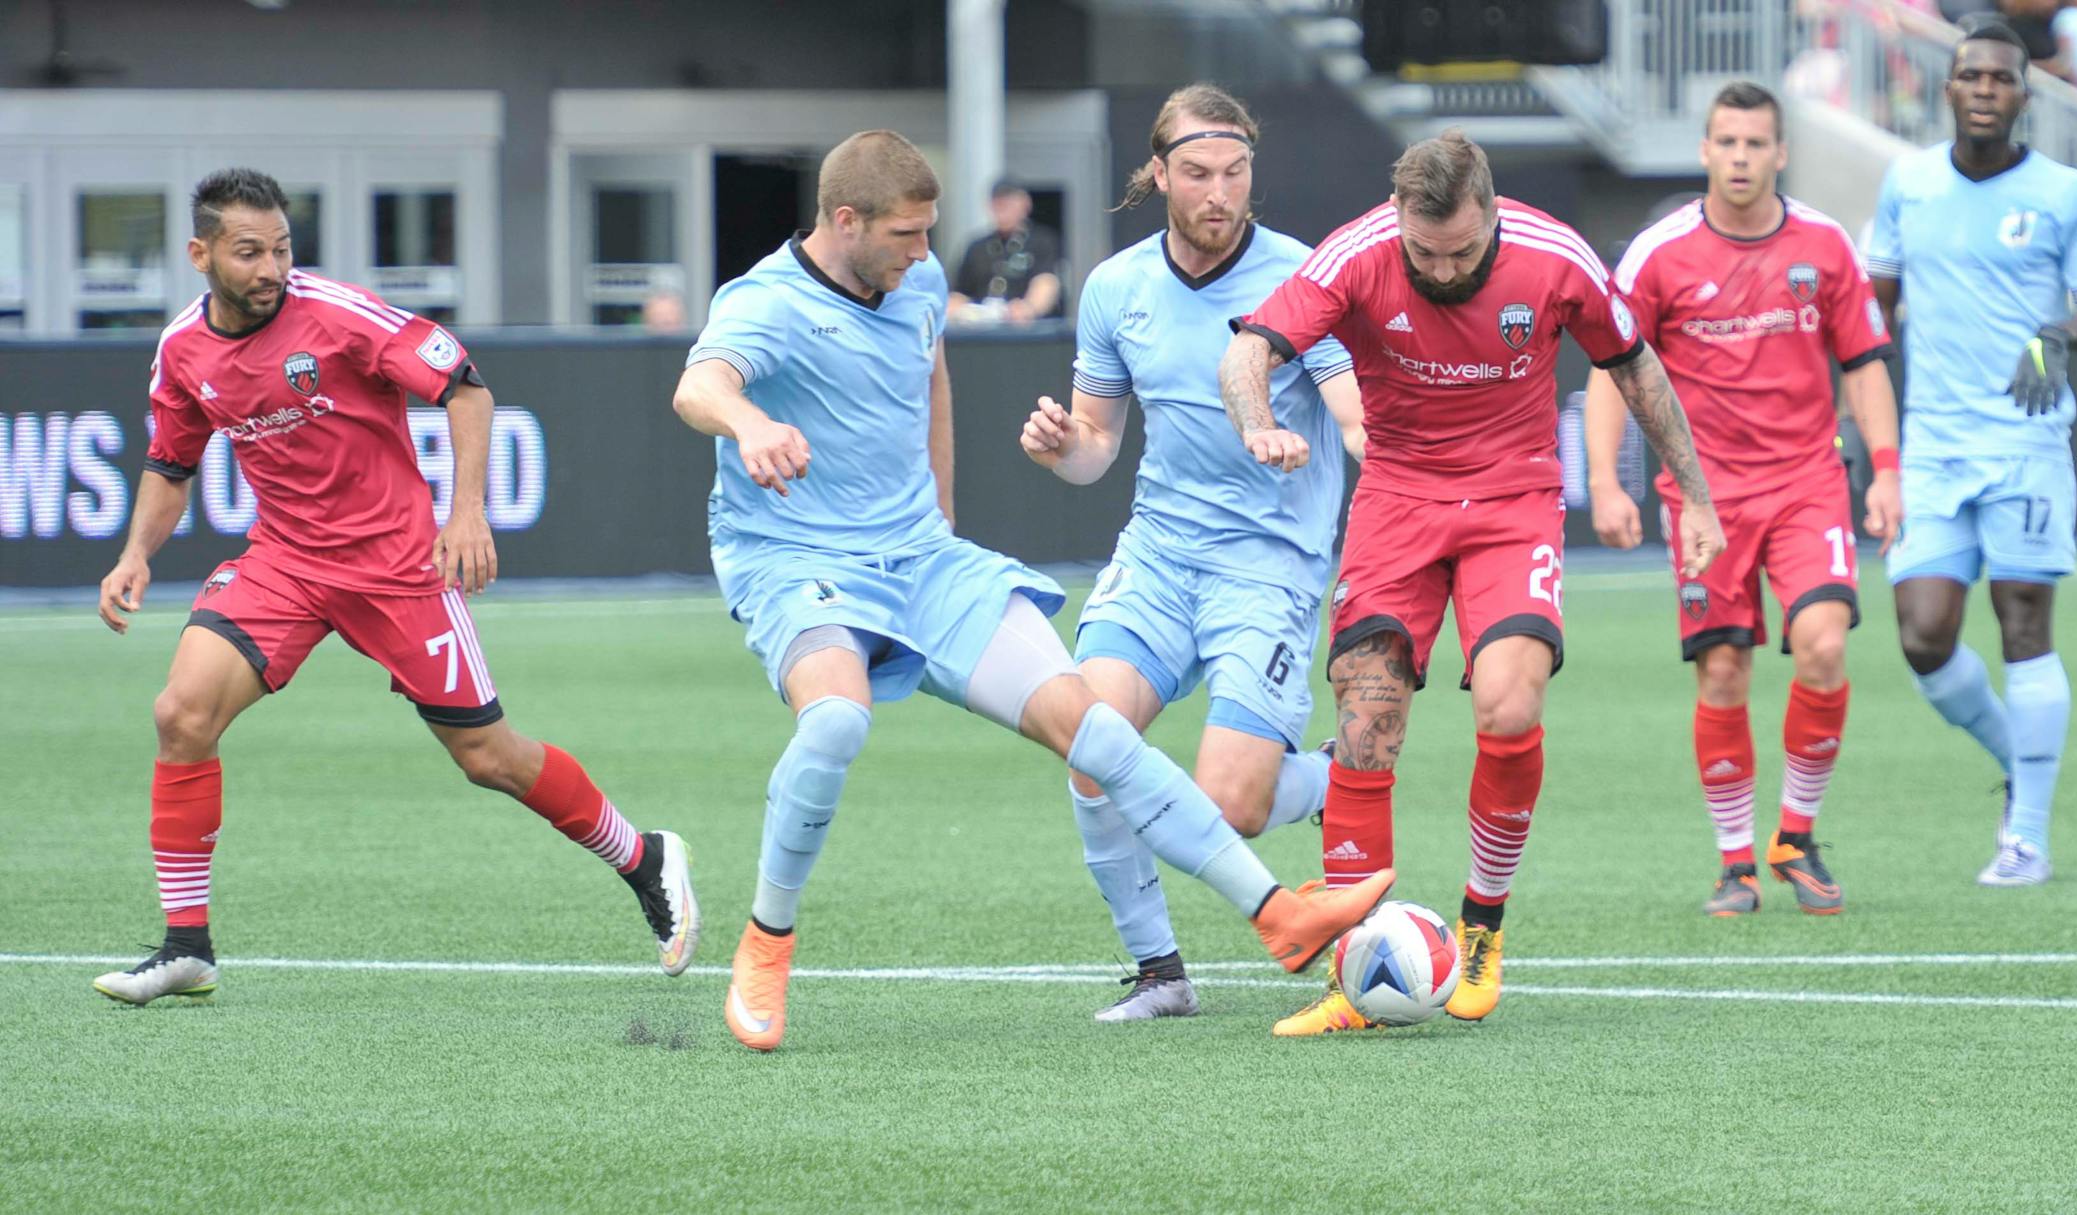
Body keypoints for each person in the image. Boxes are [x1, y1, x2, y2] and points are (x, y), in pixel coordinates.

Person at [670, 130, 1395, 1053]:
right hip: (797, 557)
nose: (927, 254)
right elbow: (700, 385)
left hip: (921, 558)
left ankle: (1277, 913)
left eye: (931, 233)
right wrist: (749, 421)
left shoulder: (919, 285)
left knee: (1090, 729)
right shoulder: (766, 302)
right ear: (844, 222)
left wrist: (937, 516)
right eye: (907, 234)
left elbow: (926, 372)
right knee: (837, 721)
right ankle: (768, 942)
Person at [91, 168, 700, 1006]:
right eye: (248, 252)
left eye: (281, 248)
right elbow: (170, 461)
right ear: (200, 255)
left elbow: (467, 389)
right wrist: (134, 555)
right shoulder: (182, 351)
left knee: (490, 757)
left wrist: (467, 514)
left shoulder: (338, 314)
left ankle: (644, 857)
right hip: (286, 561)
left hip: (397, 565)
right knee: (181, 713)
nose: (270, 268)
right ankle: (186, 944)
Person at [1221, 130, 1724, 1033]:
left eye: (1458, 249)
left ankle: (1482, 925)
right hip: (1398, 498)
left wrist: (1693, 494)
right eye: (1424, 250)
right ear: (1400, 221)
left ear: (1491, 211)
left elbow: (1633, 364)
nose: (1441, 266)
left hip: (1514, 498)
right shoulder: (1359, 252)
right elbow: (1247, 350)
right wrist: (1257, 421)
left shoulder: (1554, 255)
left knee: (1509, 703)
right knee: (1365, 720)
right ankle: (1355, 968)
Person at [1016, 85, 1366, 1023]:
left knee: (1233, 803)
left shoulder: (1306, 275)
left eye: (1237, 172)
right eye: (1201, 174)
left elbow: (1353, 415)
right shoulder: (1116, 287)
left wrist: (1366, 455)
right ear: (1160, 174)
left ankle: (1342, 775)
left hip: (1270, 566)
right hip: (1161, 558)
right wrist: (1063, 449)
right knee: (1089, 743)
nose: (1221, 192)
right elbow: (1096, 448)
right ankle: (1160, 972)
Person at [1584, 82, 1904, 918]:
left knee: (1824, 645)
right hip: (1702, 500)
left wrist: (1889, 471)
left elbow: (1865, 362)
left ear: (1780, 152)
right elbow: (1611, 365)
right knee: (1724, 671)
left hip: (1808, 485)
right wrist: (1604, 481)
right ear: (1704, 151)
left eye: (1755, 144)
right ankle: (1736, 863)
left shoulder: (1827, 246)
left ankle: (1795, 834)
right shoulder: (1658, 253)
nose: (1739, 157)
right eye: (1725, 142)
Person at [1868, 21, 2077, 886]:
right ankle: (2024, 763)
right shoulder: (1907, 183)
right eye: (1969, 74)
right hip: (1933, 444)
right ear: (1949, 88)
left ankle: (2029, 839)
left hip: (2025, 441)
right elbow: (1872, 309)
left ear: (2024, 94)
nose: (1983, 88)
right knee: (1924, 636)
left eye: (2000, 78)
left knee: (2022, 625)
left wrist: (2055, 332)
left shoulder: (2064, 193)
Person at [947, 179, 1062, 323]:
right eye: (998, 204)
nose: (1003, 209)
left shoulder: (1042, 241)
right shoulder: (977, 247)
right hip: (982, 328)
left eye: (1009, 203)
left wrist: (1028, 308)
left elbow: (1046, 283)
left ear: (1025, 204)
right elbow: (959, 293)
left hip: (1027, 329)